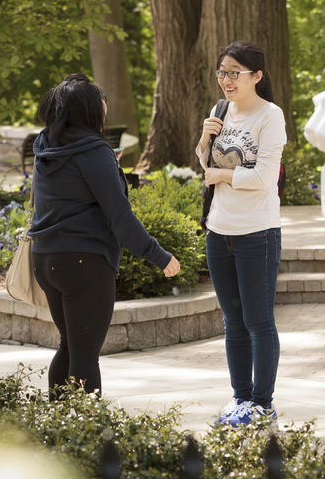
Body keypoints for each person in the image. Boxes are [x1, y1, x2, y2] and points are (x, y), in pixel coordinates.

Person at [30, 73, 181, 398]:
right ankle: (86, 438)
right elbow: (120, 217)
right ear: (87, 112)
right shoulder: (93, 151)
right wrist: (159, 255)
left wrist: (108, 166)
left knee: (70, 346)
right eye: (100, 107)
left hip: (47, 259)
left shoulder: (47, 146)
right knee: (84, 355)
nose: (104, 113)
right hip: (84, 262)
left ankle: (55, 428)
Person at [196, 41, 287, 426]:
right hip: (219, 231)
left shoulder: (270, 116)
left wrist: (221, 176)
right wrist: (204, 139)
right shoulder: (219, 111)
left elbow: (264, 177)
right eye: (222, 73)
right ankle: (241, 399)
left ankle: (262, 403)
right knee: (232, 321)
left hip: (257, 234)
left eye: (235, 72)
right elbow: (205, 162)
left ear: (257, 76)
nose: (226, 80)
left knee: (258, 321)